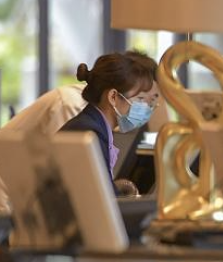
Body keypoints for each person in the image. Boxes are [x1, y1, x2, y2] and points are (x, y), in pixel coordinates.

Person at [0, 86, 86, 217]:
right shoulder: (70, 105)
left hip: (20, 197)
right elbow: (63, 181)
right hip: (0, 195)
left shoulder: (75, 104)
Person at [60, 51, 159, 180]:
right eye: (140, 99)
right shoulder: (91, 133)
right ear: (113, 97)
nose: (145, 107)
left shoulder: (95, 126)